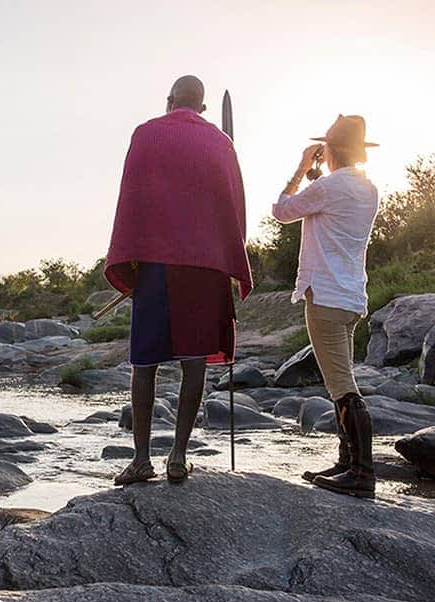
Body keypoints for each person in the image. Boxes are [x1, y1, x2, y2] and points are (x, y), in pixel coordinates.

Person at [104, 75, 252, 485]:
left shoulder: (146, 134)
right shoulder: (221, 144)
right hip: (204, 268)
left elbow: (132, 197)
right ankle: (178, 456)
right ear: (202, 108)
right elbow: (234, 206)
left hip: (155, 264)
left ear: (169, 101)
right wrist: (228, 253)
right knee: (194, 361)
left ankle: (139, 460)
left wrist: (129, 261)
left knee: (144, 363)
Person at [272, 115, 379, 498]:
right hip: (351, 297)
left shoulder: (329, 187)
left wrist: (302, 168)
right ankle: (346, 462)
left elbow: (281, 211)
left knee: (341, 385)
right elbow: (329, 207)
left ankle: (362, 473)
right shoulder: (368, 189)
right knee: (341, 377)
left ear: (331, 150)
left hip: (326, 297)